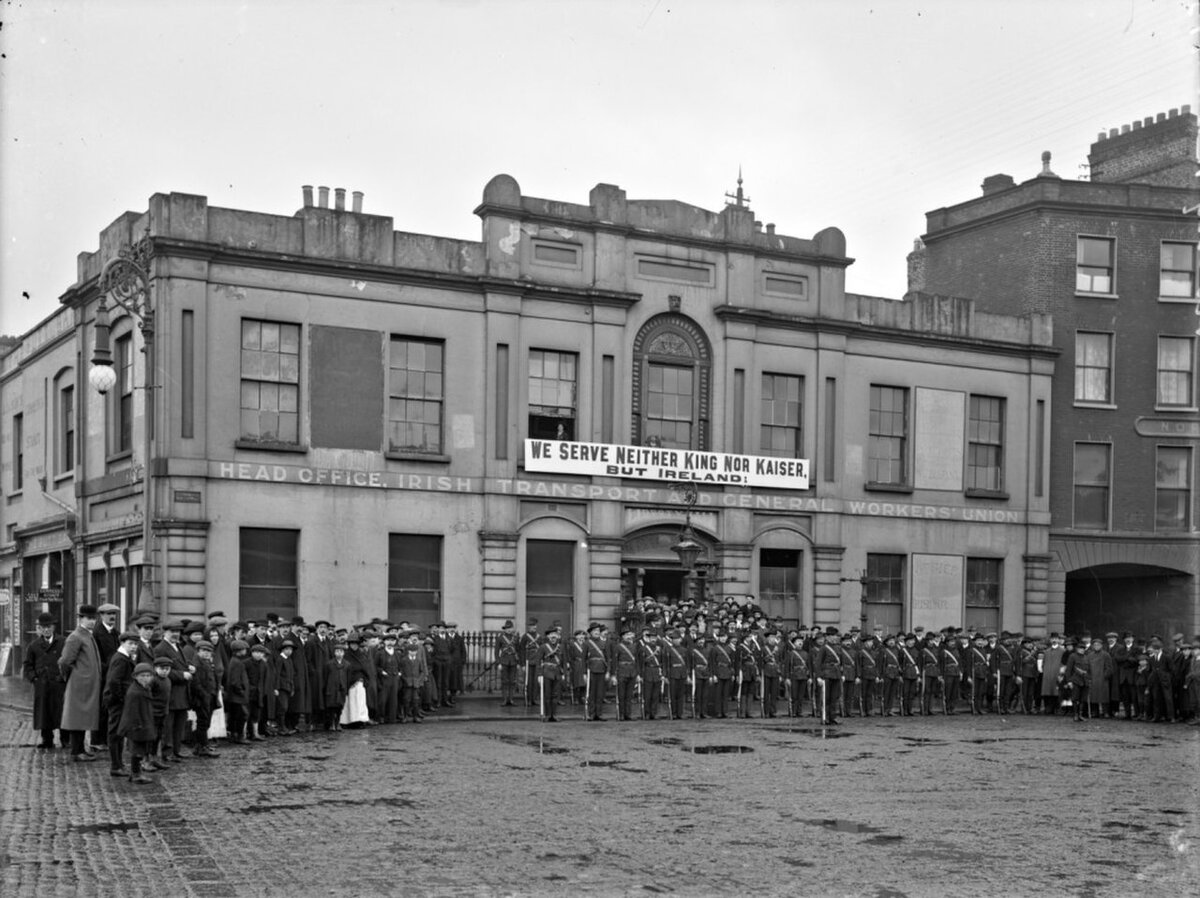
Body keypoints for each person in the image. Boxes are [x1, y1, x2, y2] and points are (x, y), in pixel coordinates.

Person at [59, 604, 103, 762]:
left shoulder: (87, 635)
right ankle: (77, 751)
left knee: (85, 717)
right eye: (89, 618)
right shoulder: (76, 636)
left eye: (93, 618)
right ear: (81, 618)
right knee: (77, 717)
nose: (92, 621)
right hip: (79, 684)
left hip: (88, 684)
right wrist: (73, 675)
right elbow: (65, 661)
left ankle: (80, 749)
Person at [23, 612, 67, 750]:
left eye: (49, 626)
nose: (46, 629)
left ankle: (66, 739)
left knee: (61, 711)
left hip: (59, 683)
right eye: (43, 627)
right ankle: (47, 740)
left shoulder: (63, 642)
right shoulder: (34, 645)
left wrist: (65, 676)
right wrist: (34, 678)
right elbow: (28, 665)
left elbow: (69, 661)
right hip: (42, 684)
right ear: (40, 629)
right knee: (44, 712)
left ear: (53, 627)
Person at [153, 620, 194, 761]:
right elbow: (162, 671)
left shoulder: (177, 646)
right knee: (168, 726)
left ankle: (177, 750)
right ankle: (167, 752)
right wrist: (182, 675)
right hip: (170, 693)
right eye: (172, 631)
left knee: (179, 725)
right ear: (165, 632)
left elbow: (179, 663)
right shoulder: (160, 648)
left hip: (182, 693)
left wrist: (189, 666)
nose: (176, 634)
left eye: (178, 631)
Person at [101, 631, 141, 776]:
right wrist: (121, 698)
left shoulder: (125, 657)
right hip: (116, 701)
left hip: (119, 699)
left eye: (135, 644)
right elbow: (113, 681)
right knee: (115, 733)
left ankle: (119, 764)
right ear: (122, 643)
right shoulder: (121, 659)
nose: (133, 647)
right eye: (130, 643)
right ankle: (115, 766)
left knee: (119, 732)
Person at [118, 663, 159, 785]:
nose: (146, 678)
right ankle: (136, 774)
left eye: (148, 675)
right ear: (136, 676)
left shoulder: (143, 688)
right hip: (137, 725)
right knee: (137, 750)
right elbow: (132, 711)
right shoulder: (135, 692)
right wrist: (137, 726)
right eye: (142, 676)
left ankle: (136, 772)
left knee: (140, 749)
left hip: (143, 722)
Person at [91, 602, 122, 750]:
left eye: (114, 614)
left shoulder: (115, 632)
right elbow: (96, 656)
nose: (112, 617)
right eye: (109, 614)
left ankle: (106, 739)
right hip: (103, 676)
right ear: (101, 615)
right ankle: (97, 740)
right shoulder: (97, 632)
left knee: (110, 707)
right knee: (101, 709)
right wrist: (105, 670)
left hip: (113, 675)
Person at [190, 640, 221, 758]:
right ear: (198, 651)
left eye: (209, 651)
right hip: (202, 698)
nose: (206, 653)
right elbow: (196, 683)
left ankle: (200, 745)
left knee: (206, 721)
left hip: (211, 696)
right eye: (204, 651)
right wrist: (204, 695)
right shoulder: (196, 664)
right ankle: (202, 746)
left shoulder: (208, 662)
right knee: (202, 722)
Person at [583, 622, 609, 721]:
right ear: (590, 633)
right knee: (591, 693)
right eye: (594, 631)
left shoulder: (604, 643)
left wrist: (608, 672)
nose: (597, 632)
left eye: (598, 631)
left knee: (600, 693)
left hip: (602, 669)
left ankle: (599, 714)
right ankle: (591, 713)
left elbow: (607, 658)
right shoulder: (587, 643)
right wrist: (584, 673)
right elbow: (583, 659)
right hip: (591, 670)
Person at [537, 627, 564, 722]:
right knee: (547, 695)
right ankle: (548, 715)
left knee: (555, 695)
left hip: (557, 673)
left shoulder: (561, 647)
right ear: (548, 637)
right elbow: (538, 661)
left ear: (557, 637)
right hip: (547, 672)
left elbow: (563, 661)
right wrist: (539, 674)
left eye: (555, 635)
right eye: (551, 635)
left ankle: (554, 715)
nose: (553, 637)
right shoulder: (543, 647)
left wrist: (563, 673)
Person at [495, 619, 520, 707]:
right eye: (507, 628)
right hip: (504, 661)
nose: (509, 630)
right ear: (504, 629)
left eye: (510, 628)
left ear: (513, 629)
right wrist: (498, 663)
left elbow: (518, 650)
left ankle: (511, 699)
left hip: (513, 661)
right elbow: (496, 651)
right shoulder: (500, 638)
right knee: (505, 681)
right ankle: (505, 699)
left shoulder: (516, 638)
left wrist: (519, 663)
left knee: (512, 681)